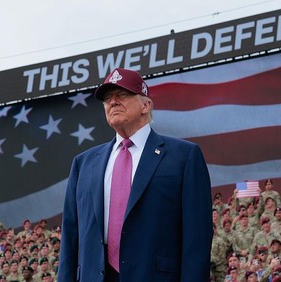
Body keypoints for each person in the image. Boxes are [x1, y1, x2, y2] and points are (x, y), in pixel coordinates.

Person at [58, 68, 213, 281]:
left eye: (122, 95)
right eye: (107, 98)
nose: (113, 102)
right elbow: (70, 237)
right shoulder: (84, 163)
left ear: (146, 105)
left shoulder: (184, 157)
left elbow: (197, 238)